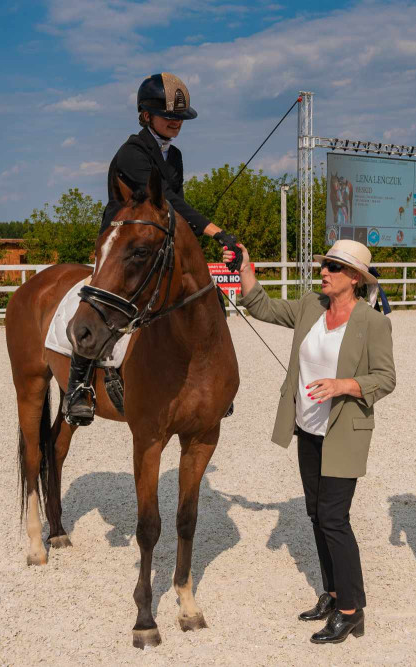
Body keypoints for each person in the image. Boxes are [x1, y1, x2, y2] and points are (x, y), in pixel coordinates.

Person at [236, 239, 395, 644]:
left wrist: (346, 384)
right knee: (314, 513)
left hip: (345, 433)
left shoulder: (372, 322)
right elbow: (261, 305)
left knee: (334, 518)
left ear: (355, 279)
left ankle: (351, 611)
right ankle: (335, 592)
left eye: (334, 268)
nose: (323, 272)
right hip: (307, 429)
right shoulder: (311, 306)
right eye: (324, 266)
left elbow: (386, 378)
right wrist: (245, 267)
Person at [61, 72, 243, 426]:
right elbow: (170, 201)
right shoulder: (131, 153)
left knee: (206, 291)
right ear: (146, 115)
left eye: (180, 118)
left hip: (160, 237)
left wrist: (207, 241)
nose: (175, 123)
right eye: (168, 116)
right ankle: (78, 385)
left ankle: (214, 382)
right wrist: (217, 232)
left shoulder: (173, 157)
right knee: (97, 304)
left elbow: (175, 208)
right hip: (124, 243)